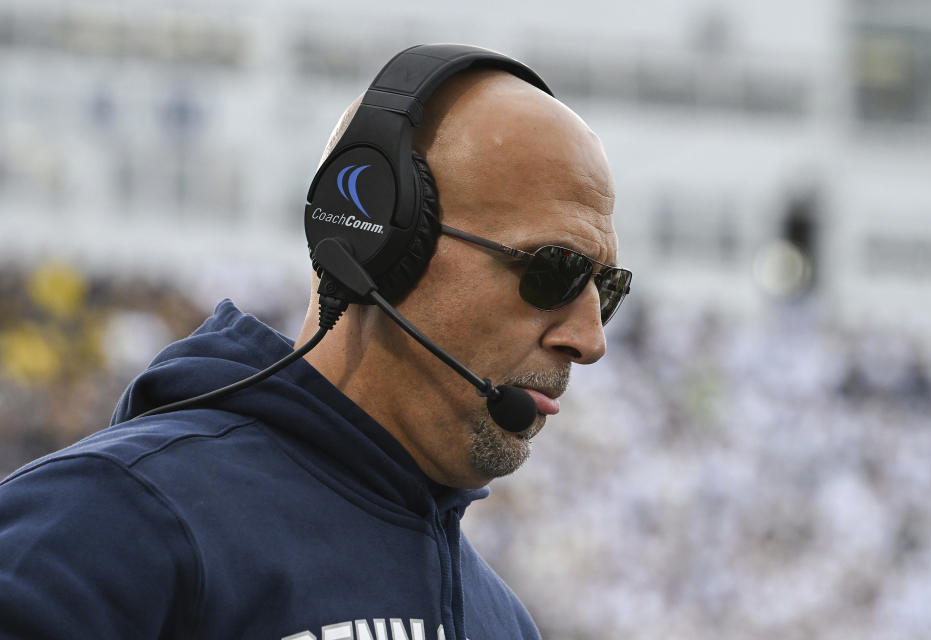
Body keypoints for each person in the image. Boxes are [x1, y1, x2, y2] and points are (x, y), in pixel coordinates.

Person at [0, 46, 628, 640]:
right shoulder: (108, 517)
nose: (590, 340)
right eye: (556, 270)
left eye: (606, 289)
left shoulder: (502, 622)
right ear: (378, 242)